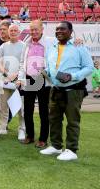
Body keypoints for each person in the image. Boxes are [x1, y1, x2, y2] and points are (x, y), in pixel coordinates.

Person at [40, 21, 93, 161]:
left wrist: (72, 76)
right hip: (56, 89)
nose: (59, 31)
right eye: (57, 29)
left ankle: (71, 149)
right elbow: (50, 66)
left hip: (73, 90)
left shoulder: (79, 46)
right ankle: (56, 146)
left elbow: (89, 67)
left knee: (72, 120)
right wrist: (46, 72)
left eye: (62, 29)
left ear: (70, 31)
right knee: (54, 119)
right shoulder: (51, 47)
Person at [18, 20, 53, 148]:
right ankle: (30, 136)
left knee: (44, 110)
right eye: (31, 29)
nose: (33, 32)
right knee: (27, 110)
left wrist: (77, 42)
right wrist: (21, 78)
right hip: (28, 79)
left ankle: (43, 139)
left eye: (36, 29)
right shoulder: (26, 44)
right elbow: (22, 62)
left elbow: (64, 44)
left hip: (43, 79)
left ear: (42, 29)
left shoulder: (50, 41)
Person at [0, 24, 26, 140]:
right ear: (8, 32)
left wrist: (16, 75)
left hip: (19, 81)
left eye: (15, 30)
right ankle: (3, 127)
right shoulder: (3, 46)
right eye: (11, 30)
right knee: (3, 106)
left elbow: (24, 64)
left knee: (21, 107)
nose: (13, 32)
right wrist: (7, 74)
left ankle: (22, 129)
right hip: (5, 80)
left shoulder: (24, 46)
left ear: (19, 32)